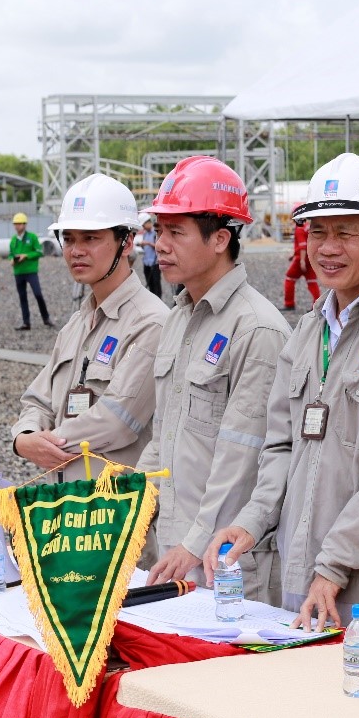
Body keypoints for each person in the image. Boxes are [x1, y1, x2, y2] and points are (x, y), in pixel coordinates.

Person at [205, 152, 359, 654]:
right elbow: (279, 447)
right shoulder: (311, 327)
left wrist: (332, 564)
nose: (327, 248)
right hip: (304, 578)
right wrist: (252, 520)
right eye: (317, 232)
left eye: (345, 233)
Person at [137, 157, 290, 603]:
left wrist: (195, 540)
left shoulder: (256, 328)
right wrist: (128, 508)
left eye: (175, 232)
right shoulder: (179, 318)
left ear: (220, 238)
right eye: (158, 230)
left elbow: (243, 457)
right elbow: (162, 434)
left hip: (225, 558)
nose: (159, 244)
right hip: (176, 549)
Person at [10, 174, 168, 480]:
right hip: (69, 510)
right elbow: (37, 400)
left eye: (91, 238)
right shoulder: (76, 324)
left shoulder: (151, 322)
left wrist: (46, 443)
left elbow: (116, 421)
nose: (76, 250)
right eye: (68, 239)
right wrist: (25, 436)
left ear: (126, 243)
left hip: (117, 515)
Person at [9, 211, 54, 331]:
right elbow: (10, 254)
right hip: (18, 272)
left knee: (38, 294)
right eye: (15, 224)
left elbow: (39, 252)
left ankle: (46, 318)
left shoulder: (32, 237)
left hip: (31, 272)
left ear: (24, 224)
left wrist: (26, 256)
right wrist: (12, 260)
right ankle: (26, 323)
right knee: (22, 297)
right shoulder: (13, 240)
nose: (17, 226)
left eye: (19, 224)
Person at [280, 216, 318, 311]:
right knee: (312, 281)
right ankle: (317, 305)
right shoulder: (308, 227)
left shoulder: (299, 229)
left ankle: (289, 303)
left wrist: (301, 260)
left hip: (301, 258)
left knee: (289, 279)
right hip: (311, 258)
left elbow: (302, 246)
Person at [139, 216, 162, 297]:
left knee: (156, 283)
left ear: (148, 222)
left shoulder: (156, 233)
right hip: (146, 262)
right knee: (150, 283)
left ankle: (159, 301)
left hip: (154, 263)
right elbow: (145, 247)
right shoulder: (145, 234)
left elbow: (158, 246)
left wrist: (148, 243)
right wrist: (142, 245)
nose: (143, 227)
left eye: (144, 225)